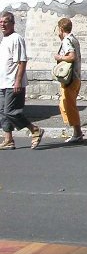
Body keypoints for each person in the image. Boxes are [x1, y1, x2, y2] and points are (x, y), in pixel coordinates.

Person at [0, 11, 44, 150]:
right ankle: (8, 140)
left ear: (13, 23)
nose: (2, 25)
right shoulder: (4, 39)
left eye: (5, 22)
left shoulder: (16, 38)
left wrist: (18, 82)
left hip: (13, 83)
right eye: (1, 22)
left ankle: (34, 129)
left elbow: (22, 61)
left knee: (11, 111)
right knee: (2, 112)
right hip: (3, 82)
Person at [54, 18, 83, 143]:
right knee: (67, 104)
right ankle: (76, 130)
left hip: (70, 79)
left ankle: (77, 132)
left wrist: (59, 57)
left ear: (61, 28)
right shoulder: (73, 39)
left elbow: (71, 56)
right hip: (76, 77)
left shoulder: (67, 41)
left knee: (68, 105)